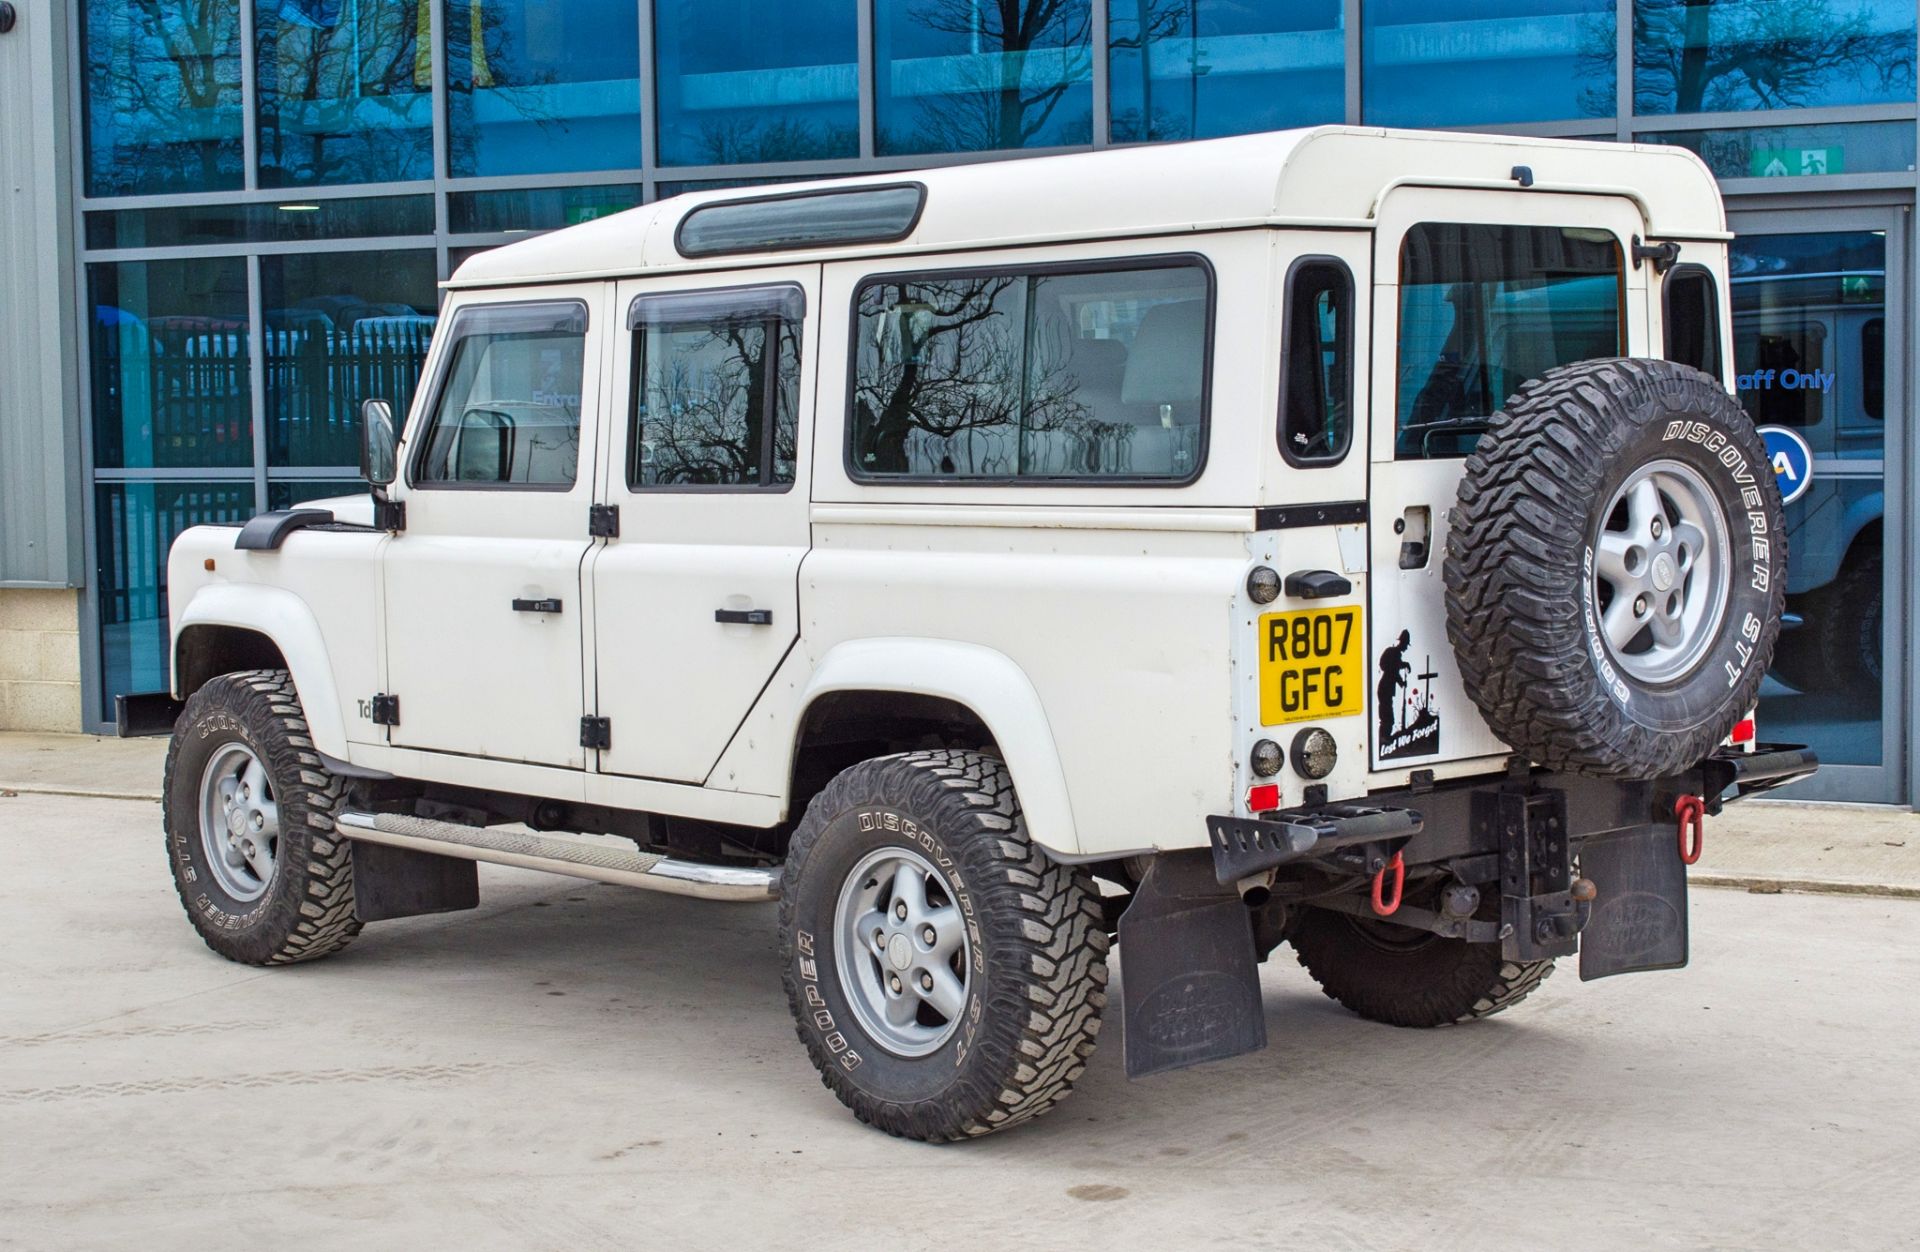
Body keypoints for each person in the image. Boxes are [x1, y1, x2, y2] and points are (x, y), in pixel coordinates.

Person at [1377, 629, 1411, 746]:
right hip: (1385, 688)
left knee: (1386, 714)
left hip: (1385, 688)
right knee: (1387, 716)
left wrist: (1404, 665)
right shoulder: (1394, 653)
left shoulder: (1395, 654)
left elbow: (1395, 667)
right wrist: (1401, 682)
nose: (1406, 647)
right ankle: (1384, 738)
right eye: (1406, 644)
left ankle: (1385, 737)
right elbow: (1393, 671)